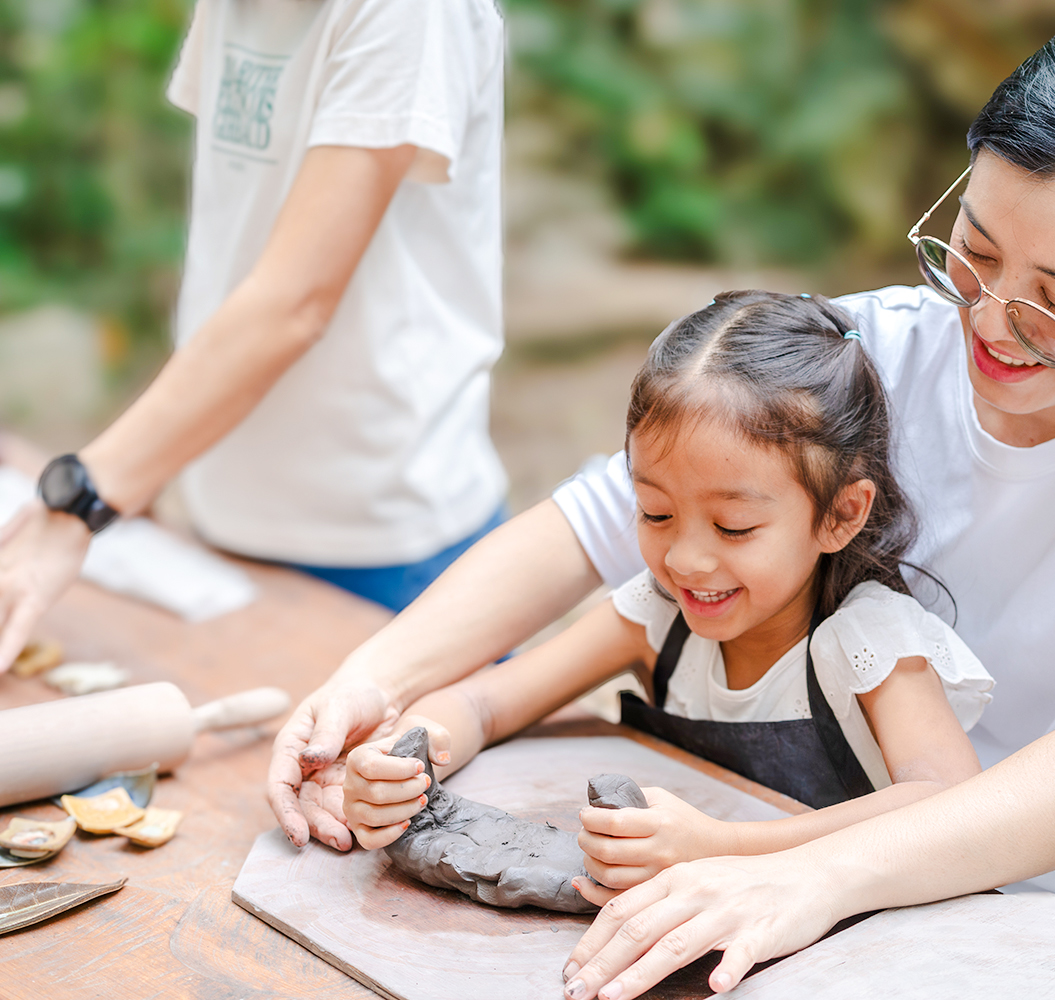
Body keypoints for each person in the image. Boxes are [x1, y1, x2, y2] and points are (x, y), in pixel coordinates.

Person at [268, 11, 1055, 990]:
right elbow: (590, 522)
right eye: (976, 253)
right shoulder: (875, 347)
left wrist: (801, 871)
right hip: (832, 876)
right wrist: (374, 684)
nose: (991, 321)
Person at [337, 291, 993, 890]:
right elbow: (483, 702)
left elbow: (950, 801)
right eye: (655, 513)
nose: (684, 559)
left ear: (840, 515)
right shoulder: (659, 615)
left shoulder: (870, 644)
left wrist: (722, 847)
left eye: (733, 526)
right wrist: (404, 763)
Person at [0, 0, 508, 669]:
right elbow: (238, 250)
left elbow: (294, 301)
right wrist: (149, 467)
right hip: (228, 518)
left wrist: (85, 498)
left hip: (381, 540)